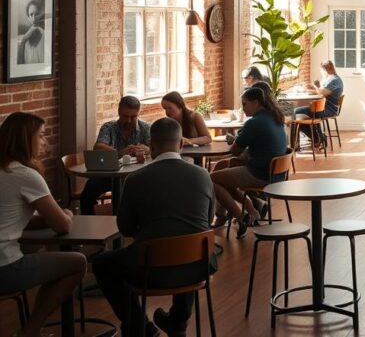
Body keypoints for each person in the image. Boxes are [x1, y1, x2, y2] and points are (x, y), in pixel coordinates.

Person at [92, 117, 216, 337]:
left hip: (149, 269)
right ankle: (178, 322)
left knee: (102, 263)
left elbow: (126, 229)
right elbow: (208, 219)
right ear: (181, 143)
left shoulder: (135, 179)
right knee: (188, 236)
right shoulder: (203, 175)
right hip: (199, 266)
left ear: (151, 145)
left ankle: (140, 327)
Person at [0, 112, 87, 337]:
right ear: (25, 139)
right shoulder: (25, 175)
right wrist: (66, 213)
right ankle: (30, 330)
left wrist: (42, 219)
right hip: (4, 269)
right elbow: (62, 226)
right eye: (41, 135)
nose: (44, 141)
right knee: (77, 262)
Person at [212, 87, 288, 238]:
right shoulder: (275, 117)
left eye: (245, 104)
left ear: (256, 103)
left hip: (259, 174)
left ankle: (241, 216)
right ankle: (252, 208)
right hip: (276, 174)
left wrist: (235, 141)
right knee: (226, 169)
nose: (243, 108)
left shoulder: (255, 122)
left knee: (212, 179)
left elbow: (235, 150)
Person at [81, 95, 151, 215]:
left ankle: (127, 221)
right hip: (109, 175)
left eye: (133, 117)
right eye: (125, 116)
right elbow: (98, 147)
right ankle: (89, 223)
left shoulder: (146, 128)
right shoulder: (108, 127)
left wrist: (147, 149)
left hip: (137, 176)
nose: (129, 120)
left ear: (138, 113)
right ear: (119, 112)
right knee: (88, 194)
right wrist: (119, 153)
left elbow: (156, 148)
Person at [294, 59, 344, 142]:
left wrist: (316, 85)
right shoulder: (333, 79)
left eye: (321, 70)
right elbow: (323, 92)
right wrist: (308, 90)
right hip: (325, 108)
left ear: (325, 69)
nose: (321, 72)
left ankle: (317, 138)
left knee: (296, 112)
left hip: (328, 109)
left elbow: (321, 92)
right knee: (308, 114)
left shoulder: (334, 80)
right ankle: (319, 136)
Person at [16, 0, 45, 65]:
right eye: (31, 15)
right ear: (28, 18)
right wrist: (24, 39)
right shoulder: (26, 39)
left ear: (40, 15)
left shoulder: (45, 35)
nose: (34, 18)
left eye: (36, 14)